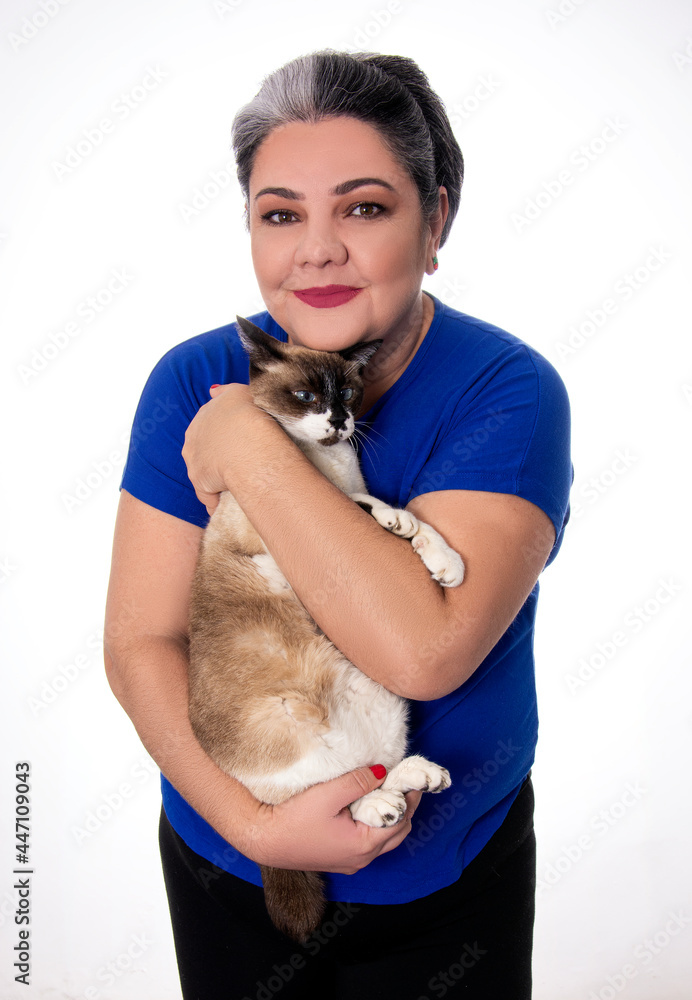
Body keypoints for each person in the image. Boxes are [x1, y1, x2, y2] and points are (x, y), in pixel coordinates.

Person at [104, 51, 571, 999]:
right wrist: (255, 828)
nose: (315, 250)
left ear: (434, 223)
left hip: (444, 890)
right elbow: (140, 641)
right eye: (280, 214)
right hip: (224, 857)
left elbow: (421, 653)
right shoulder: (190, 378)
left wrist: (249, 440)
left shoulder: (507, 390)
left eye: (363, 207)